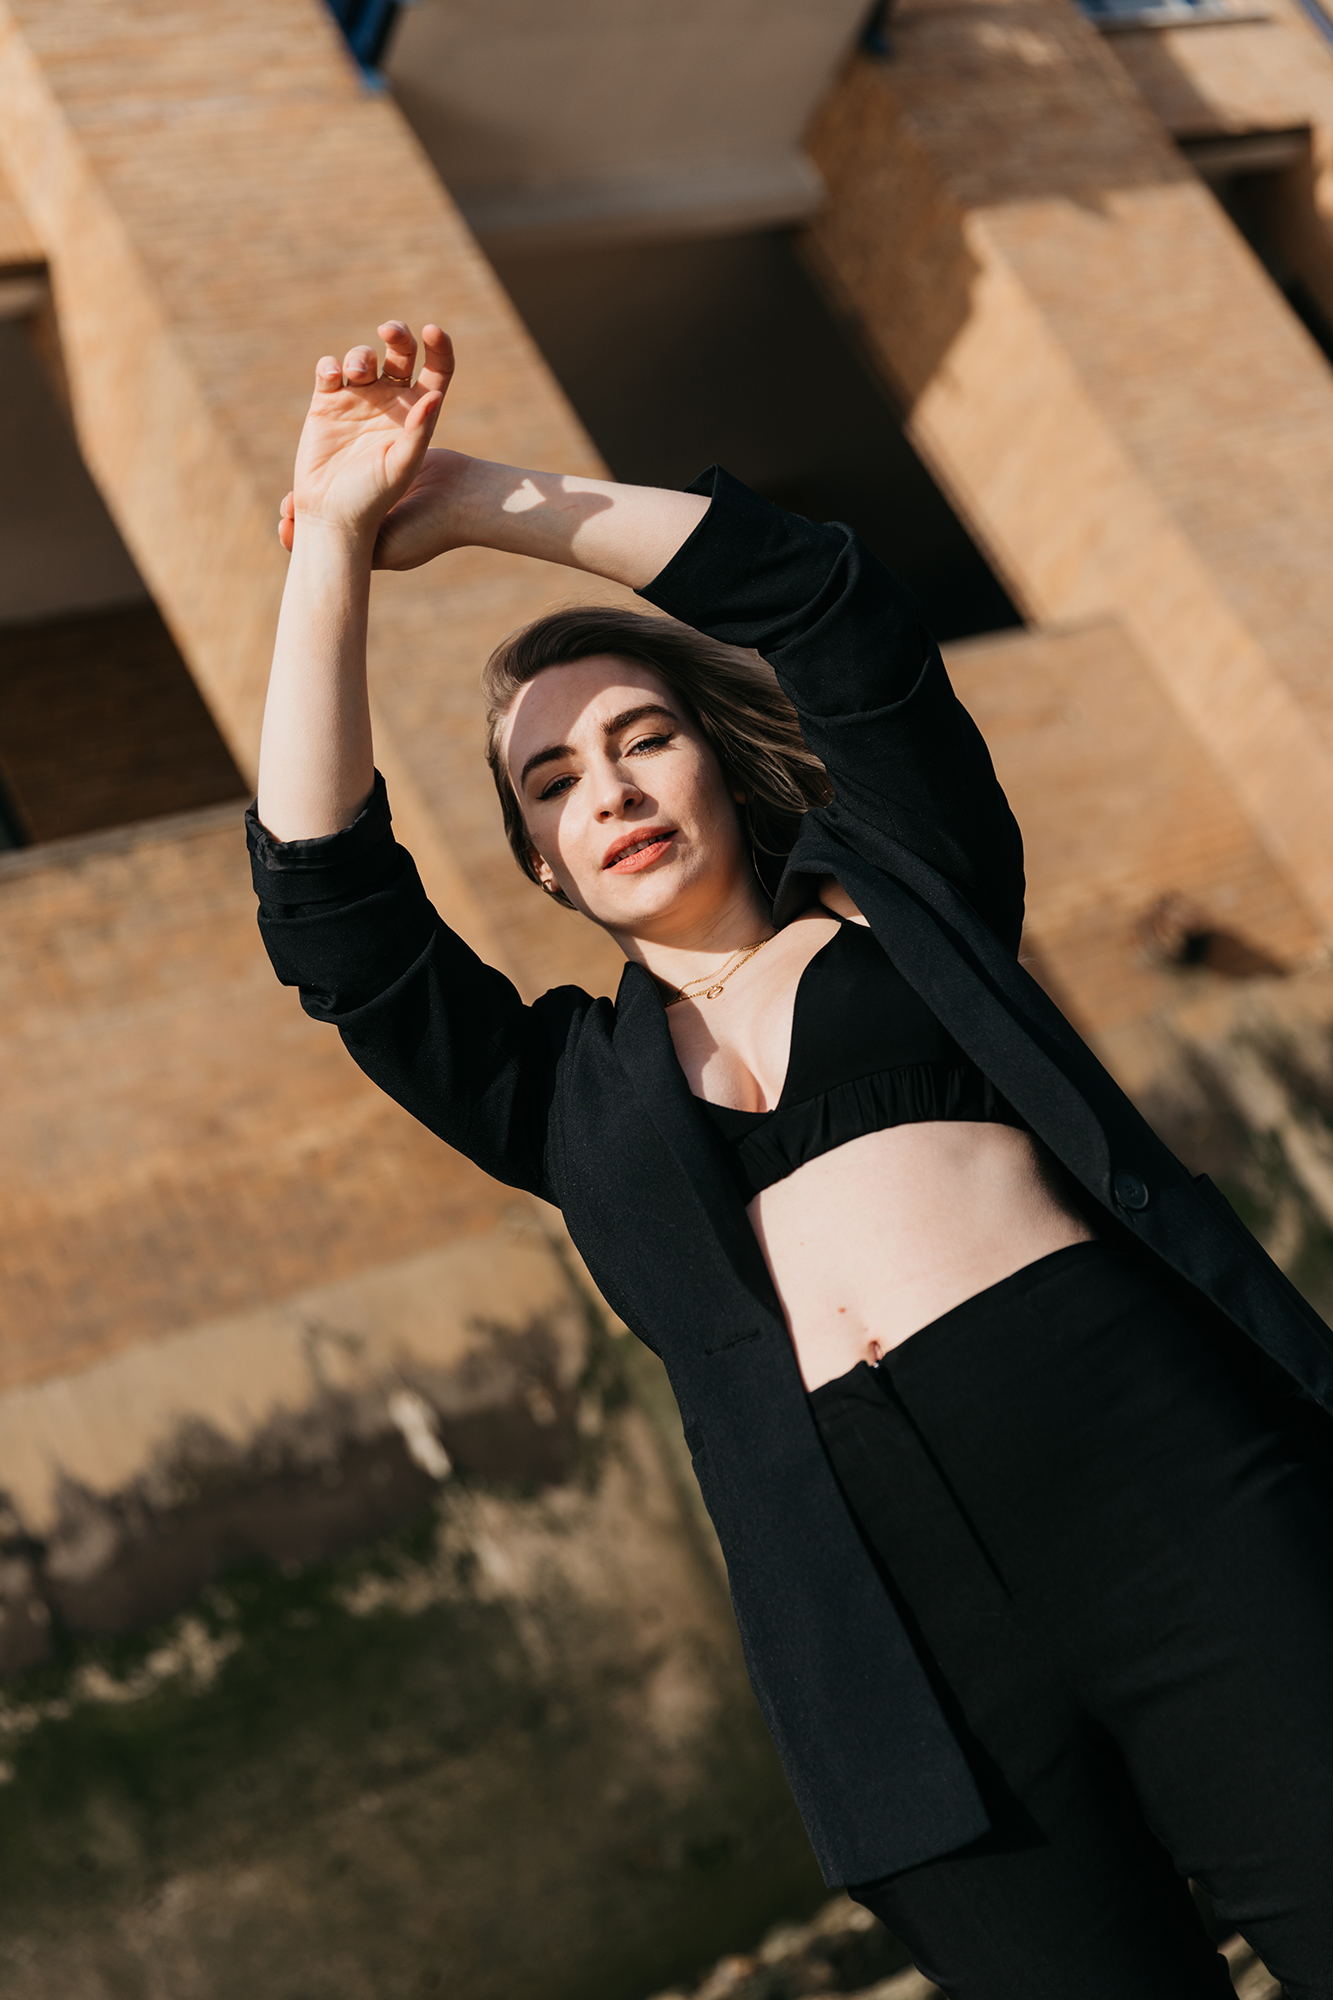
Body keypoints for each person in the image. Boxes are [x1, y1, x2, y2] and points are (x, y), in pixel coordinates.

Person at [250, 320, 1333, 1999]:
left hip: (1167, 1488)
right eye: (553, 781)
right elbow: (332, 915)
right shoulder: (556, 1091)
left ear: (717, 760)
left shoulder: (911, 897)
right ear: (540, 865)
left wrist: (472, 502)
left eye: (641, 737)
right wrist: (329, 538)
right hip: (884, 1641)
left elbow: (824, 602)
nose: (608, 789)